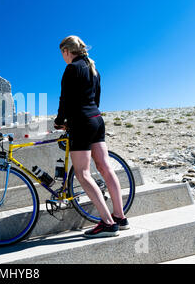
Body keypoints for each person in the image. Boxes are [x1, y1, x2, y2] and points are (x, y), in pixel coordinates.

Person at [54, 35, 129, 238]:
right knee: (105, 167)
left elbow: (65, 99)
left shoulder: (72, 68)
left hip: (81, 122)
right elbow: (96, 98)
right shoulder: (94, 70)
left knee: (83, 173)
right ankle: (120, 217)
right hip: (97, 119)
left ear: (66, 51)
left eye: (62, 53)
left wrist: (60, 121)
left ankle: (107, 223)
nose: (62, 57)